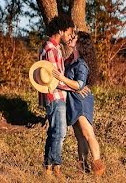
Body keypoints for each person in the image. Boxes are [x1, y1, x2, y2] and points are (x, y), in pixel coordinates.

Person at [53, 31, 105, 175]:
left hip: (81, 101)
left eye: (74, 38)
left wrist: (62, 79)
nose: (71, 38)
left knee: (88, 134)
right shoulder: (71, 60)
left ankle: (98, 167)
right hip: (73, 101)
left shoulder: (81, 63)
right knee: (79, 137)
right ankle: (83, 167)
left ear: (80, 44)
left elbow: (80, 85)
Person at [37, 14, 76, 175]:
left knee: (54, 131)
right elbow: (55, 79)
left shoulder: (51, 47)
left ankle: (47, 168)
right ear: (60, 31)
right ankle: (56, 168)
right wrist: (74, 87)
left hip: (54, 96)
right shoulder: (52, 49)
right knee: (60, 132)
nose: (68, 36)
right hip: (56, 95)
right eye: (67, 33)